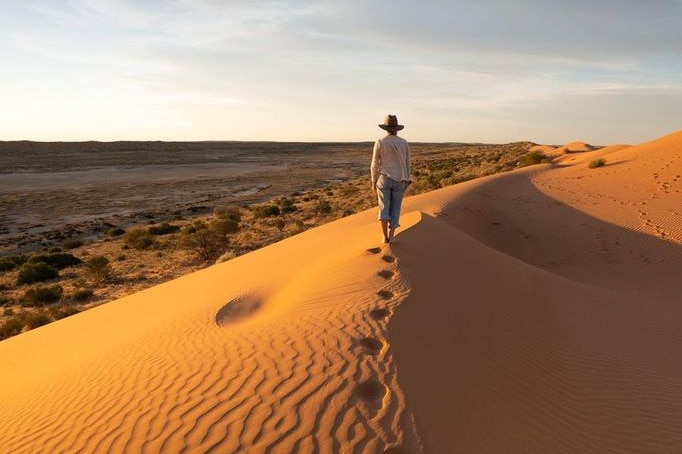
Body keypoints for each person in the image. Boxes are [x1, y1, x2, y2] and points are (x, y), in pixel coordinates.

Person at [370, 114, 411, 244]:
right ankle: (392, 236)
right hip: (400, 180)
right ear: (397, 129)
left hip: (384, 179)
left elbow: (374, 163)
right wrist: (407, 179)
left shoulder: (380, 142)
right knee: (395, 208)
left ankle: (384, 237)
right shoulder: (404, 143)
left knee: (383, 207)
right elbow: (407, 163)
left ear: (385, 128)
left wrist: (373, 181)